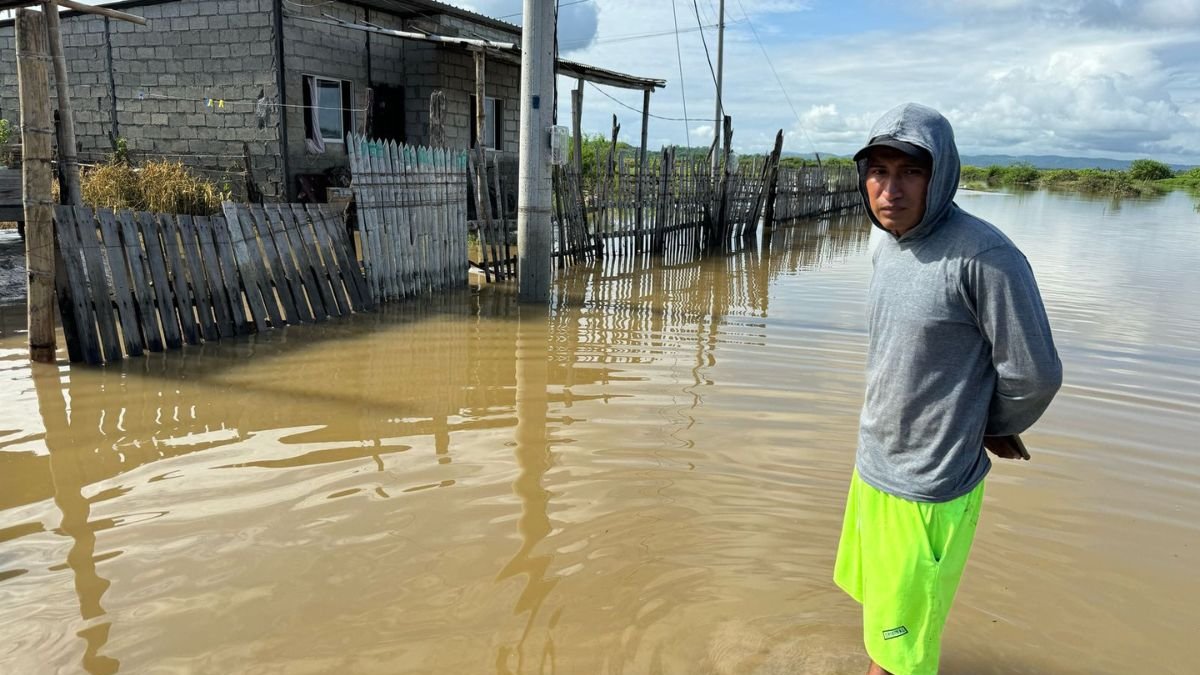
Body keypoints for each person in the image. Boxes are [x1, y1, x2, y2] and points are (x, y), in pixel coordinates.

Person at [834, 103, 1063, 675]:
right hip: (875, 469)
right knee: (883, 626)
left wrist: (988, 425)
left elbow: (1036, 373)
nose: (891, 189)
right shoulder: (887, 244)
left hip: (928, 488)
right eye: (879, 171)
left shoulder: (985, 257)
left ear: (942, 176)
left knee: (900, 658)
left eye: (912, 171)